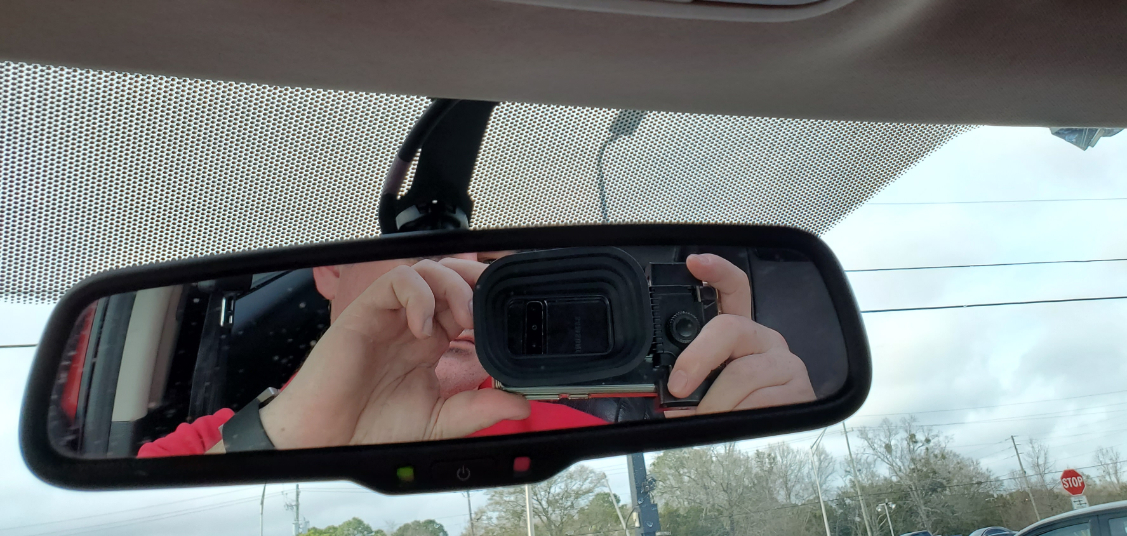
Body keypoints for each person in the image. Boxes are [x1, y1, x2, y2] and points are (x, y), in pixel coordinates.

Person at [138, 251, 814, 456]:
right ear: (329, 270)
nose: (463, 274)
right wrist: (285, 443)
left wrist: (747, 437)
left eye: (495, 262)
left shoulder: (597, 432)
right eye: (420, 253)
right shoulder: (200, 451)